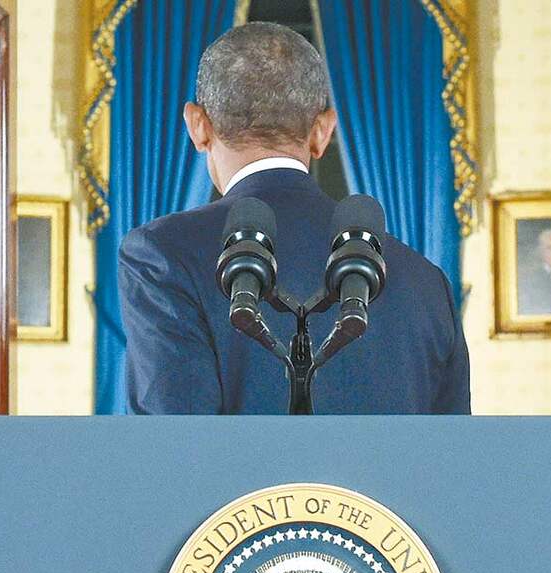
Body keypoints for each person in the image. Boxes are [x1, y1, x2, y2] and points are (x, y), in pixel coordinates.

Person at [119, 22, 470, 415]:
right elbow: (452, 459)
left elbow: (170, 446)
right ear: (323, 131)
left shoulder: (162, 254)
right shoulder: (425, 281)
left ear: (198, 125)